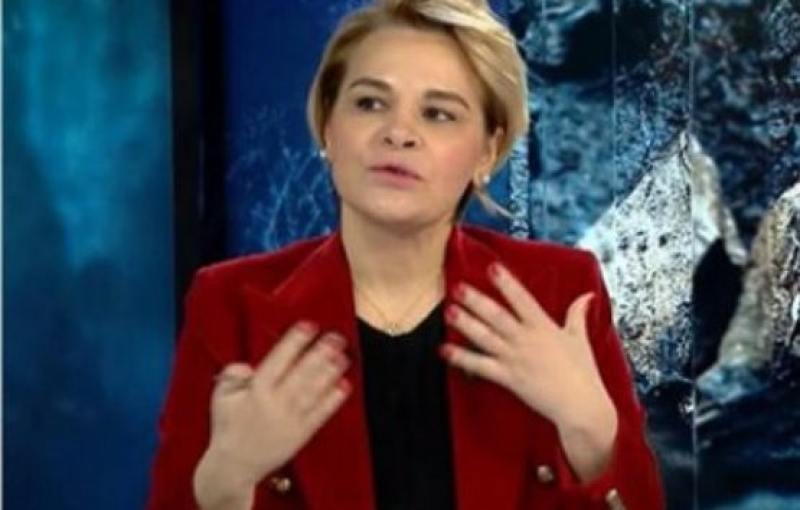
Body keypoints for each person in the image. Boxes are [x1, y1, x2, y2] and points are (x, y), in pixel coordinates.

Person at [146, 0, 665, 509]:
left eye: (438, 114)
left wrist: (592, 434)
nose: (398, 133)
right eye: (370, 103)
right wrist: (225, 482)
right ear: (327, 125)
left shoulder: (560, 293)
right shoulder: (229, 302)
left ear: (487, 151)